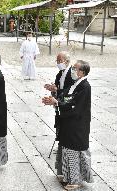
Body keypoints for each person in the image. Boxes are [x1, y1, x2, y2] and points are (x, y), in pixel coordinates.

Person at [42, 60, 93, 190]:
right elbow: (66, 95)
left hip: (77, 124)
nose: (72, 70)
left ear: (82, 72)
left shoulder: (85, 86)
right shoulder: (76, 83)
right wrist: (56, 98)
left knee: (73, 151)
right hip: (69, 122)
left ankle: (75, 180)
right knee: (65, 148)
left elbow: (75, 103)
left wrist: (58, 103)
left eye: (75, 69)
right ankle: (65, 174)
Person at [44, 51, 75, 183]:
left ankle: (64, 143)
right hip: (59, 104)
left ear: (67, 61)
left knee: (65, 125)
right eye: (57, 60)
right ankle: (60, 142)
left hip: (66, 105)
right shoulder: (60, 73)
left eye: (59, 60)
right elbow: (57, 87)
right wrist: (53, 89)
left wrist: (57, 91)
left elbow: (70, 90)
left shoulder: (72, 73)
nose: (58, 63)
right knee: (58, 124)